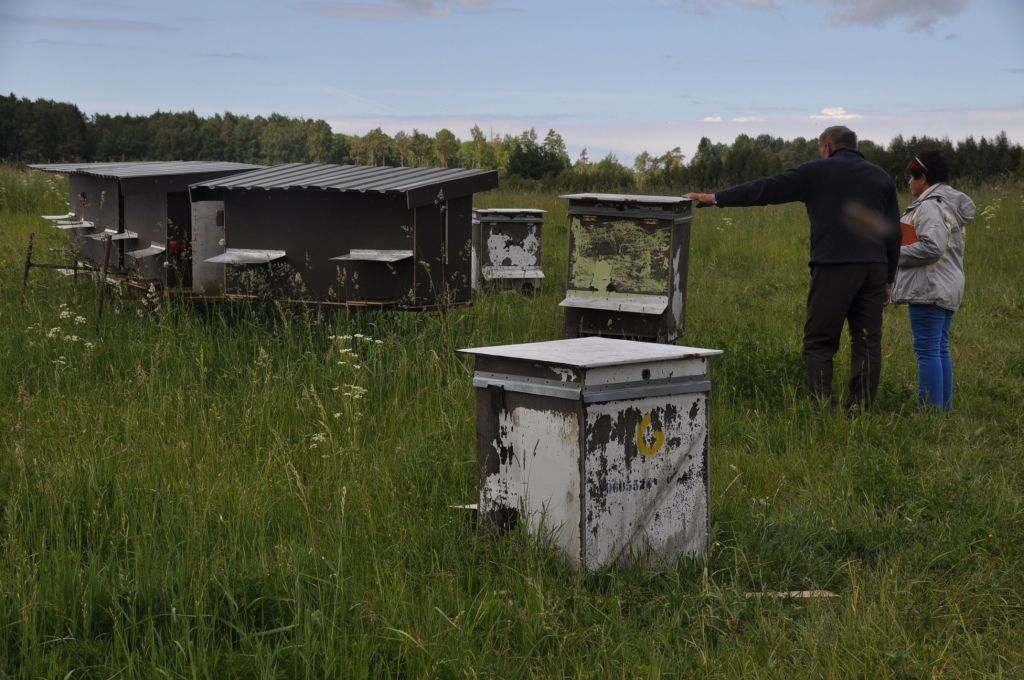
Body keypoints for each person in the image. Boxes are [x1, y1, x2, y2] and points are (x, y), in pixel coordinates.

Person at [684, 125, 900, 410]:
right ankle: (860, 408)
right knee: (868, 341)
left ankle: (822, 407)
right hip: (874, 267)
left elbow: (766, 188)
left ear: (827, 147)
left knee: (820, 341)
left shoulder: (817, 171)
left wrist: (716, 198)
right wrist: (888, 279)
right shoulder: (880, 176)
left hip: (835, 266)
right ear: (854, 146)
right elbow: (893, 231)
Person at [892, 150, 974, 410]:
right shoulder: (946, 204)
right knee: (938, 348)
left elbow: (932, 247)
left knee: (927, 350)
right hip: (946, 286)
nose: (908, 183)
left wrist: (892, 254)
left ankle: (930, 411)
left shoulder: (929, 206)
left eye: (911, 178)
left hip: (930, 288)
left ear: (923, 178)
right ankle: (942, 408)